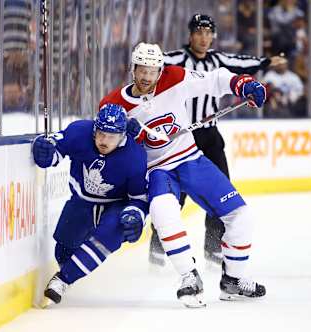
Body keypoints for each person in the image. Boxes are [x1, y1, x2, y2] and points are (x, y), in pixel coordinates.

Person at [100, 42, 266, 307]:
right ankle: (189, 277)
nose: (146, 77)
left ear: (160, 70)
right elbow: (106, 147)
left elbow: (215, 80)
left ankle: (233, 280)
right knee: (163, 211)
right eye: (141, 70)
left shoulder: (175, 78)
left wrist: (243, 84)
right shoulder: (113, 105)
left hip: (191, 158)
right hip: (157, 171)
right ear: (132, 69)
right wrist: (125, 140)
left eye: (152, 71)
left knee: (242, 216)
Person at [147, 13, 285, 267]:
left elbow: (242, 64)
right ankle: (159, 247)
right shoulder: (176, 59)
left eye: (208, 33)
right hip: (181, 137)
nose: (204, 38)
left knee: (219, 191)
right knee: (173, 195)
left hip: (210, 137)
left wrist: (264, 62)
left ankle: (213, 249)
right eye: (199, 32)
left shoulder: (218, 60)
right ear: (190, 35)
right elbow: (150, 66)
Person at [32, 104, 148, 305]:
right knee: (63, 251)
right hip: (82, 201)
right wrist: (45, 151)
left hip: (116, 204)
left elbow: (138, 198)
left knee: (112, 231)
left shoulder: (134, 156)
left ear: (122, 137)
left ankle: (63, 280)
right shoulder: (80, 132)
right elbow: (55, 149)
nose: (104, 141)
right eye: (101, 134)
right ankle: (71, 272)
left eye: (111, 137)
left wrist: (136, 215)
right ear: (94, 129)